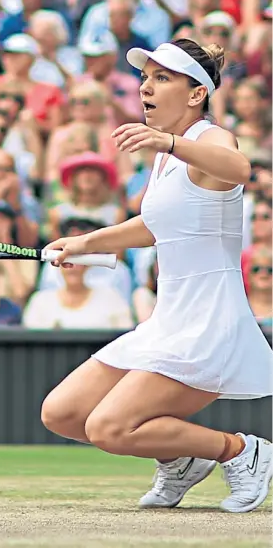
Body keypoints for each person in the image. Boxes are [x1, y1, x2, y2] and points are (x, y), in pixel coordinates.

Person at [41, 38, 272, 513]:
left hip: (210, 322)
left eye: (161, 78)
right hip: (169, 319)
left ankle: (242, 452)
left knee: (108, 427)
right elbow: (156, 226)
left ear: (195, 94)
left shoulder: (209, 139)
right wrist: (85, 243)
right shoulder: (167, 157)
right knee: (62, 414)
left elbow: (240, 168)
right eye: (145, 77)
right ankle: (180, 460)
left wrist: (168, 141)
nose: (146, 86)